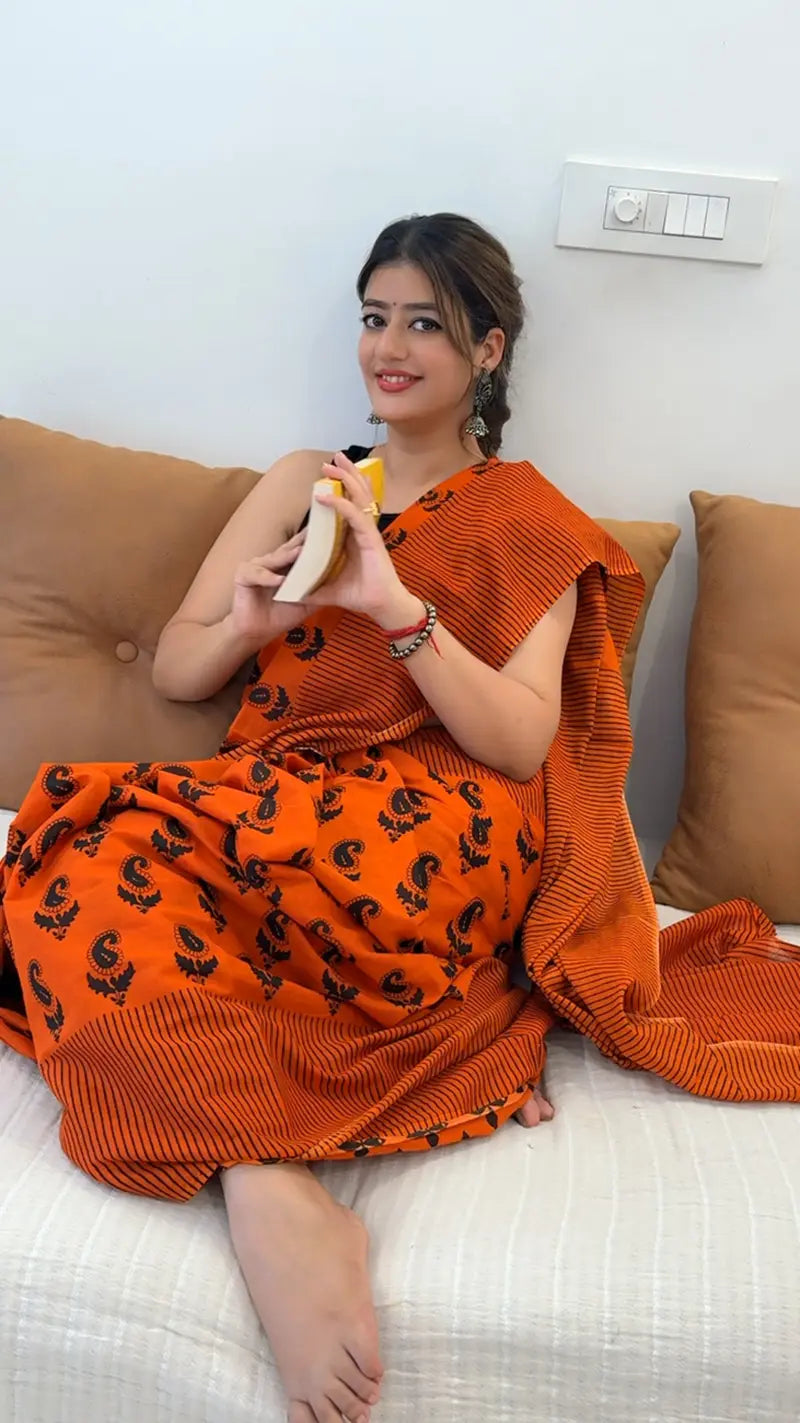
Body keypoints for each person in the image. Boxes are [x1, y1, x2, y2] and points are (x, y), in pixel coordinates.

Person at [1, 213, 798, 1423]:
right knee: (76, 849)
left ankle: (262, 1135)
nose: (388, 346)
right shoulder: (303, 482)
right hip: (276, 800)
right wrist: (255, 625)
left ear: (486, 350)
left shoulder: (523, 515)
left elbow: (521, 740)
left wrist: (393, 606)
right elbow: (176, 669)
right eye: (374, 317)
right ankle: (266, 1176)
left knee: (105, 853)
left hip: (436, 824)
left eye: (423, 323)